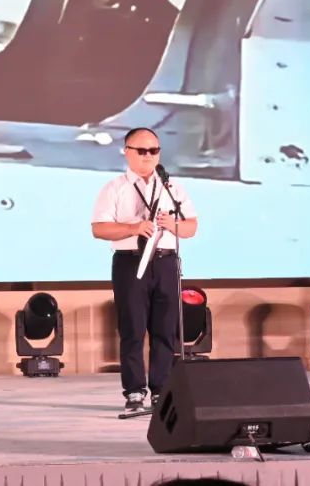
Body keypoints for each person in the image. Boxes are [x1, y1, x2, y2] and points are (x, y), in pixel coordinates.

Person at [91, 127, 198, 412]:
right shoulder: (114, 188)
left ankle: (162, 390)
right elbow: (99, 229)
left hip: (165, 261)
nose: (148, 156)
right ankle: (135, 391)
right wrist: (133, 228)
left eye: (154, 150)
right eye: (141, 150)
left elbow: (191, 227)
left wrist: (172, 224)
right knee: (133, 329)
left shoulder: (172, 188)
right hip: (130, 261)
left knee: (165, 329)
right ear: (127, 152)